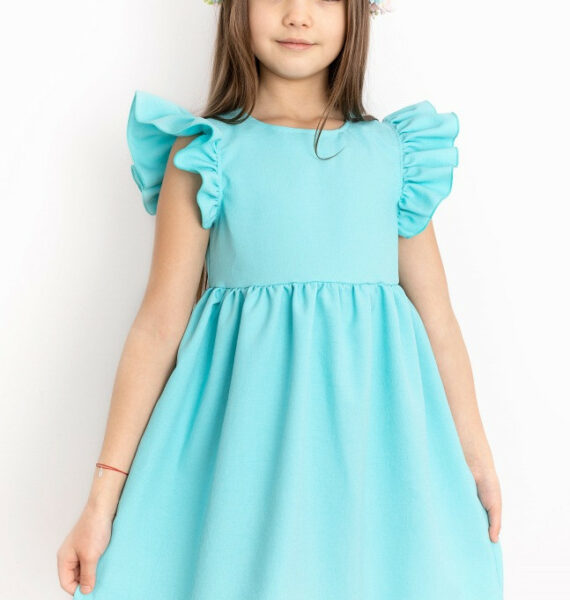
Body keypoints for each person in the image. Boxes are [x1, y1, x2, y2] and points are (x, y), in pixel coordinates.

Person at [57, 1, 504, 598]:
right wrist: (101, 499)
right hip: (245, 458)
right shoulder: (207, 152)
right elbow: (159, 325)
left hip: (374, 456)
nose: (297, 15)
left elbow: (438, 319)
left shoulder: (393, 156)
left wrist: (478, 459)